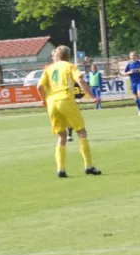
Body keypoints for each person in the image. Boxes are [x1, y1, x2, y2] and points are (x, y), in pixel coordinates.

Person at [37, 45, 102, 178]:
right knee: (81, 131)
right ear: (67, 56)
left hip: (51, 103)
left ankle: (61, 169)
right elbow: (81, 80)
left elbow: (39, 86)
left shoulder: (48, 69)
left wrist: (43, 100)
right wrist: (93, 96)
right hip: (65, 99)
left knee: (62, 136)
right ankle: (88, 166)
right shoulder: (69, 66)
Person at [122, 51, 140, 116]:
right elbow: (123, 73)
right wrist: (129, 72)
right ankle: (139, 109)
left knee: (139, 93)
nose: (133, 57)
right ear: (130, 56)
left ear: (136, 56)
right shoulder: (129, 64)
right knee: (135, 97)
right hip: (133, 82)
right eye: (132, 55)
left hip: (139, 81)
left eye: (134, 55)